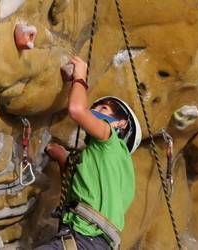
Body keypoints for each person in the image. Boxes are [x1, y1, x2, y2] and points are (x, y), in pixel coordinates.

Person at [35, 56, 142, 250]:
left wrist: (80, 77)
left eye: (103, 108)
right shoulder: (113, 169)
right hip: (94, 242)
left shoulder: (109, 139)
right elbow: (82, 179)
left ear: (121, 124)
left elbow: (77, 109)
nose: (94, 111)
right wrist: (60, 156)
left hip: (85, 239)